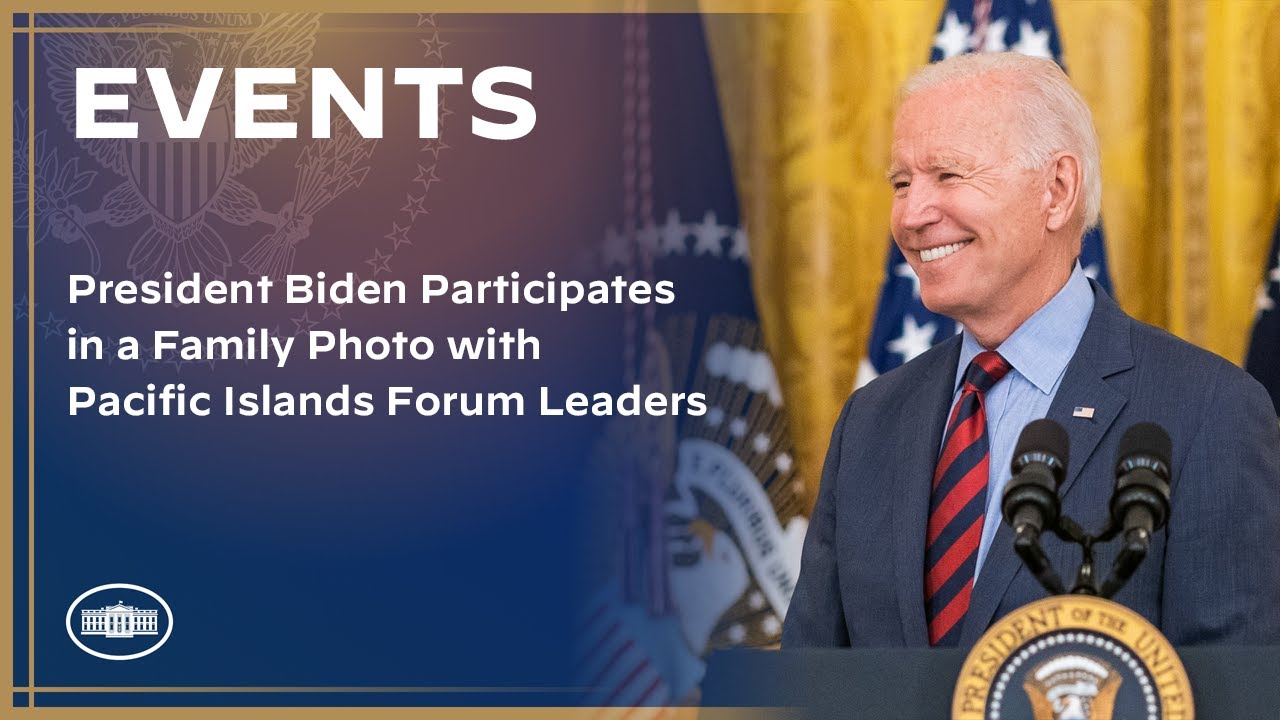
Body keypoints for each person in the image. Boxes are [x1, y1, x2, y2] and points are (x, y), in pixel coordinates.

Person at [782, 52, 1280, 649]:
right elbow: (809, 683)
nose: (912, 215)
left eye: (948, 175)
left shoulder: (1210, 413)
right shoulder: (869, 421)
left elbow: (1235, 692)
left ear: (1057, 191)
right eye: (901, 183)